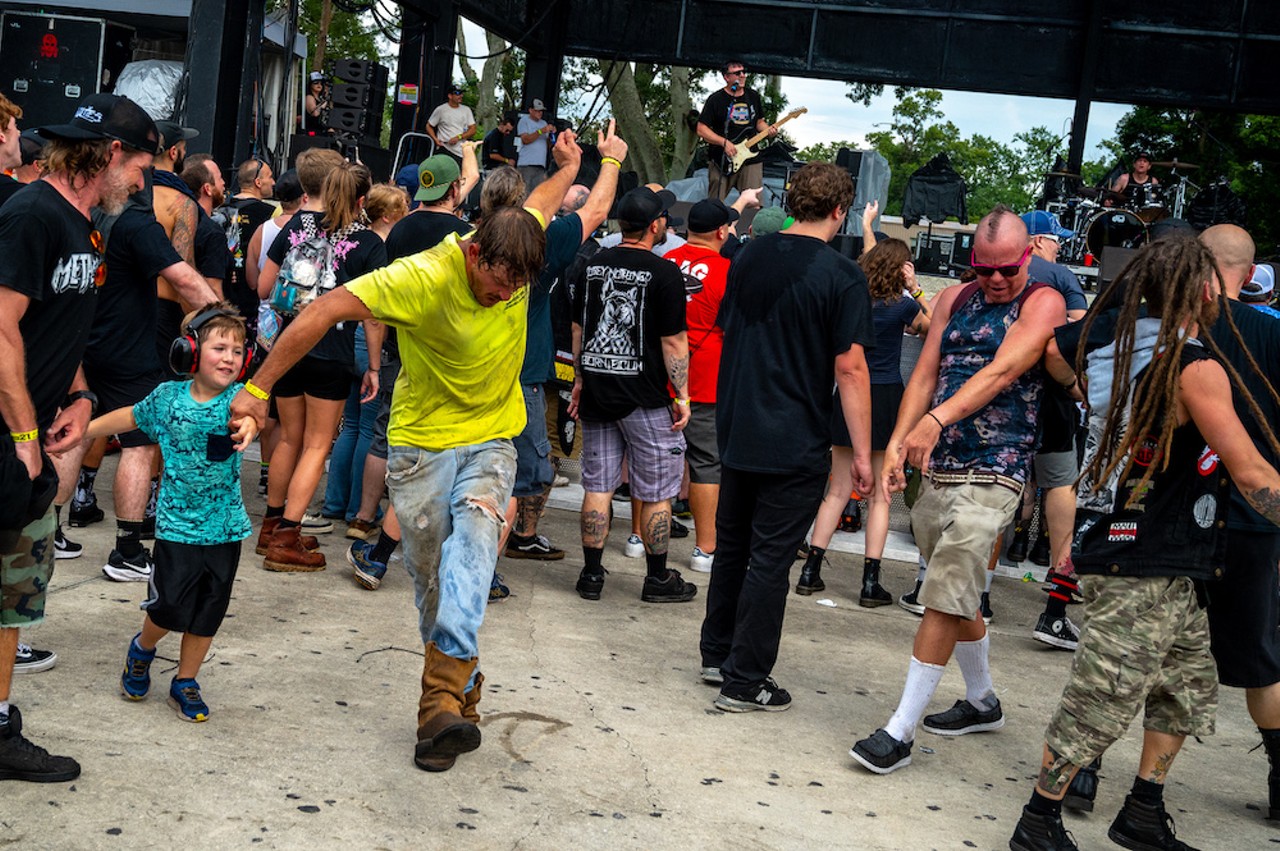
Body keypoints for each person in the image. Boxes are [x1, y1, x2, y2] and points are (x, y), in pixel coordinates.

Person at [230, 130, 583, 773]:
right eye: (493, 287)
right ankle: (461, 689)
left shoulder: (520, 237)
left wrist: (584, 163)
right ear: (474, 253)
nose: (501, 299)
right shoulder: (421, 276)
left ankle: (437, 705)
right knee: (429, 582)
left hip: (490, 440)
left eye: (514, 293)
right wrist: (257, 388)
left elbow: (549, 197)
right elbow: (316, 314)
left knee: (475, 548)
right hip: (421, 444)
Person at [1006, 234, 1280, 851]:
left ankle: (1143, 813)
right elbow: (1252, 471)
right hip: (1144, 559)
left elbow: (1059, 358)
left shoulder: (1113, 349)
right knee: (1100, 697)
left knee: (1185, 689)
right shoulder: (1192, 367)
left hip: (1153, 550)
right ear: (1204, 290)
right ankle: (1038, 821)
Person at [850, 206, 1065, 774]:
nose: (995, 280)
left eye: (1007, 270)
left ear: (1028, 258)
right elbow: (924, 372)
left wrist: (935, 421)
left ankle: (899, 731)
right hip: (939, 463)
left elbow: (1001, 372)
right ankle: (983, 700)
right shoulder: (954, 298)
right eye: (983, 269)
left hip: (999, 465)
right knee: (956, 582)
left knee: (943, 588)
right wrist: (898, 444)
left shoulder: (1043, 301)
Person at [0, 92, 158, 782]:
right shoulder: (31, 214)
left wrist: (81, 392)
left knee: (14, 589)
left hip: (30, 428)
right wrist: (25, 429)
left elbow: (58, 330)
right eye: (143, 167)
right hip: (7, 433)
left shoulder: (87, 226)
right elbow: (0, 327)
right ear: (112, 156)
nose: (145, 183)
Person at [698, 162, 874, 713]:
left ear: (792, 201)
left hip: (739, 423)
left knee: (733, 549)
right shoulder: (843, 276)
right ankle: (744, 680)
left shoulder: (747, 256)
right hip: (793, 433)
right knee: (771, 559)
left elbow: (730, 331)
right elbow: (851, 370)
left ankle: (717, 654)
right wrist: (863, 454)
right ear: (841, 212)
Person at [85, 304, 256, 722]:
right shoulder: (167, 398)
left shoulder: (239, 401)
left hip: (225, 527)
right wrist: (84, 431)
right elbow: (130, 416)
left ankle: (185, 681)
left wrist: (251, 425)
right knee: (168, 607)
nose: (230, 358)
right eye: (219, 348)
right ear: (190, 352)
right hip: (177, 529)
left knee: (208, 610)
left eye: (237, 351)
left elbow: (255, 419)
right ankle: (143, 649)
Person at [507, 124, 629, 563]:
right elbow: (596, 210)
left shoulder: (468, 241)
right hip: (524, 376)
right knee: (529, 470)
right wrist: (608, 160)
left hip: (471, 372)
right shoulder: (542, 243)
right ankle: (507, 546)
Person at [568, 186, 694, 604]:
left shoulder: (592, 265)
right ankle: (657, 578)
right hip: (647, 397)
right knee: (657, 490)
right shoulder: (664, 272)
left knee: (599, 484)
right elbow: (674, 342)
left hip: (599, 391)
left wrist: (580, 379)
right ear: (656, 225)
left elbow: (579, 328)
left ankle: (591, 575)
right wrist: (683, 395)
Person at [798, 237, 930, 604]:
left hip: (849, 396)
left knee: (838, 490)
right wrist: (916, 288)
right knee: (881, 498)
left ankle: (811, 569)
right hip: (887, 396)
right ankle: (870, 583)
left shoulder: (850, 302)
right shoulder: (901, 306)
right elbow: (937, 328)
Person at [660, 198, 740, 573]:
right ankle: (706, 548)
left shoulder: (665, 262)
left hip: (657, 376)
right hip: (704, 381)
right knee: (708, 463)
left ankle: (641, 538)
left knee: (654, 460)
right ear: (722, 232)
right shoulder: (728, 271)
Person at [696, 61, 777, 201]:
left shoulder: (753, 96)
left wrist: (769, 130)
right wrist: (723, 142)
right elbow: (701, 129)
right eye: (737, 73)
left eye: (744, 72)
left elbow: (759, 122)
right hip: (722, 158)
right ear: (727, 77)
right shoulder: (715, 99)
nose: (742, 75)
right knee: (715, 202)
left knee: (754, 202)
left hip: (750, 157)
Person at [426, 84, 476, 166]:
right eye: (457, 93)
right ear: (450, 96)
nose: (461, 96)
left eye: (461, 93)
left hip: (461, 151)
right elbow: (429, 125)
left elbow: (473, 129)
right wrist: (435, 139)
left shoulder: (466, 110)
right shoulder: (441, 109)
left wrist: (459, 137)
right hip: (445, 148)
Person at [516, 99, 552, 191]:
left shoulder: (544, 123)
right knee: (524, 192)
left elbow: (548, 146)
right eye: (537, 110)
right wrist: (540, 131)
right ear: (530, 110)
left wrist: (551, 135)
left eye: (541, 111)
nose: (540, 113)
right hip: (526, 164)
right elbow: (525, 140)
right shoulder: (524, 121)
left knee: (536, 193)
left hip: (540, 165)